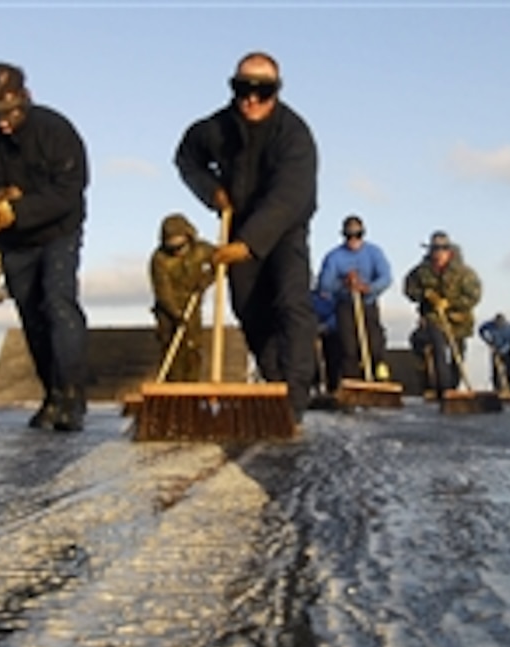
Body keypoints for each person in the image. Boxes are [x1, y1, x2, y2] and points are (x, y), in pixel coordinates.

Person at [175, 50, 318, 423]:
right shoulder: (216, 128)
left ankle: (295, 397)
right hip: (237, 224)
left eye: (263, 91)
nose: (252, 99)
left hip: (284, 229)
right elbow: (186, 157)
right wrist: (212, 191)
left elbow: (290, 195)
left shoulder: (295, 134)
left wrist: (249, 244)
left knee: (291, 302)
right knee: (249, 309)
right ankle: (276, 383)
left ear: (277, 91)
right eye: (243, 88)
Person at [0, 61, 90, 432]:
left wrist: (21, 209)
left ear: (25, 99)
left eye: (9, 112)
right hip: (14, 244)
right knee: (32, 316)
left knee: (58, 304)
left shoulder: (55, 130)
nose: (2, 122)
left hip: (59, 230)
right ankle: (52, 395)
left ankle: (72, 394)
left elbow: (69, 189)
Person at [316, 214, 393, 382]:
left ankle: (377, 379)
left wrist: (367, 287)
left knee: (374, 344)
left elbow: (386, 278)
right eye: (349, 236)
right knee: (348, 347)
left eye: (357, 235)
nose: (353, 240)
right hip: (345, 305)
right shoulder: (334, 257)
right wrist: (344, 283)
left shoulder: (374, 253)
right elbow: (324, 285)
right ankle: (352, 384)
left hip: (368, 304)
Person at [404, 231, 482, 395]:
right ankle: (443, 389)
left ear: (450, 251)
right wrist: (424, 294)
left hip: (459, 321)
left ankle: (453, 386)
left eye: (443, 249)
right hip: (433, 318)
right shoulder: (421, 272)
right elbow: (409, 289)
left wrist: (450, 303)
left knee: (458, 356)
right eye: (435, 249)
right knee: (438, 349)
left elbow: (474, 296)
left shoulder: (465, 273)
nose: (439, 253)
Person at [149, 213, 215, 382]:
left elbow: (221, 261)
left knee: (193, 350)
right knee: (173, 353)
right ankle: (172, 394)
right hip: (168, 312)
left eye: (181, 246)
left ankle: (191, 393)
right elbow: (163, 291)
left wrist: (207, 280)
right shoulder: (159, 260)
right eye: (173, 248)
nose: (178, 252)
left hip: (192, 305)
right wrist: (176, 314)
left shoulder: (201, 250)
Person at [478, 313, 510, 394]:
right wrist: (487, 340)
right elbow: (481, 329)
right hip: (495, 348)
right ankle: (497, 388)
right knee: (496, 370)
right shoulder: (490, 325)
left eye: (500, 323)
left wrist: (502, 350)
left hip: (507, 350)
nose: (498, 324)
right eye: (497, 323)